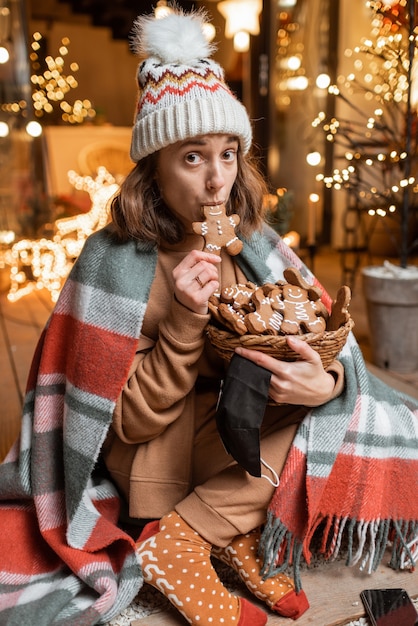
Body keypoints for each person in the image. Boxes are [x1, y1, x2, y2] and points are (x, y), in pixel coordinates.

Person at [0, 8, 417, 626]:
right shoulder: (114, 263)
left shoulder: (249, 244)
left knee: (344, 408)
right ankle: (186, 540)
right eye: (193, 158)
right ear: (154, 170)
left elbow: (323, 341)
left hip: (227, 439)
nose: (218, 179)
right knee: (273, 435)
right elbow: (129, 423)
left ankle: (217, 537)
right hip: (154, 463)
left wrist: (321, 380)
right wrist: (184, 324)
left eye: (228, 154)